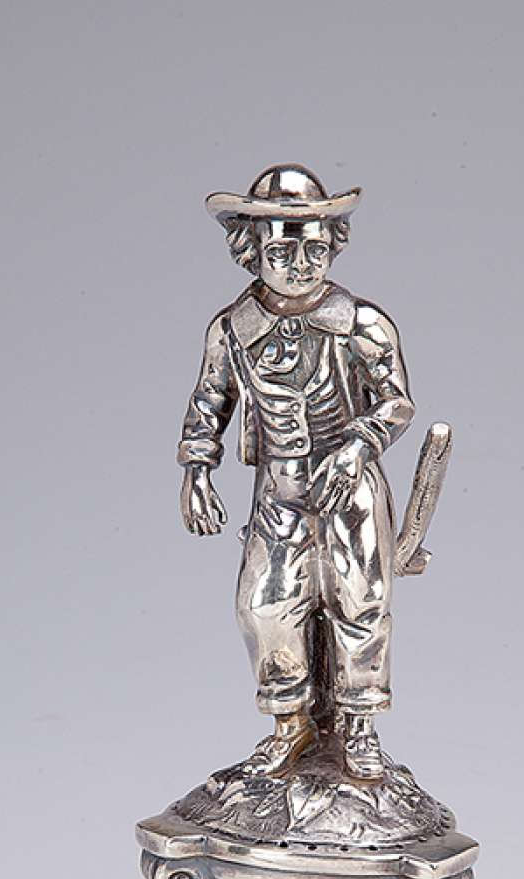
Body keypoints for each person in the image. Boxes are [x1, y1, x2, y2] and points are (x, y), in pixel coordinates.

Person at [177, 164, 415, 781]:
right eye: (282, 251)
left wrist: (359, 444)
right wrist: (197, 468)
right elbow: (210, 400)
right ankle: (291, 722)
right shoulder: (232, 331)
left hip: (349, 487)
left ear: (333, 246)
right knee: (264, 604)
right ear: (251, 251)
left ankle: (359, 727)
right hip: (278, 489)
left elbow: (396, 403)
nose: (301, 264)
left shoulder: (361, 324)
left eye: (315, 248)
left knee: (361, 600)